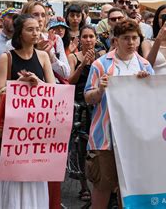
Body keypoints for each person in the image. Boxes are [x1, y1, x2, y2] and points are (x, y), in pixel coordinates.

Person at [84, 20, 154, 209]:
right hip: (105, 137)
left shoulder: (145, 66)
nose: (131, 42)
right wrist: (100, 90)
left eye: (134, 38)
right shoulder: (100, 64)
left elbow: (155, 101)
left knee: (130, 193)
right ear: (116, 40)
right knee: (102, 191)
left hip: (135, 138)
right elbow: (88, 97)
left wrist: (147, 85)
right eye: (126, 38)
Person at [0, 14, 55, 208]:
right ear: (20, 32)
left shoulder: (43, 56)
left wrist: (39, 83)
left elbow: (53, 89)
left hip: (36, 129)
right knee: (12, 179)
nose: (36, 33)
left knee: (34, 177)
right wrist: (18, 85)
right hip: (13, 130)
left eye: (38, 29)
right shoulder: (6, 57)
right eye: (30, 29)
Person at [67, 24, 98, 202]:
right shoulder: (73, 57)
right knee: (80, 146)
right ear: (80, 39)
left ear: (96, 38)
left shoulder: (102, 57)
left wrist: (94, 63)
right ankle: (84, 186)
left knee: (95, 145)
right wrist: (83, 65)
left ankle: (98, 184)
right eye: (85, 36)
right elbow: (70, 81)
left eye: (91, 36)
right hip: (79, 104)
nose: (88, 40)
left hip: (96, 103)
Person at [22, 1, 70, 80]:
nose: (40, 19)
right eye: (35, 15)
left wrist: (50, 55)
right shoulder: (13, 43)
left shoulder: (55, 39)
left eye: (43, 15)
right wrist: (36, 51)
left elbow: (66, 74)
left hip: (50, 89)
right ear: (25, 17)